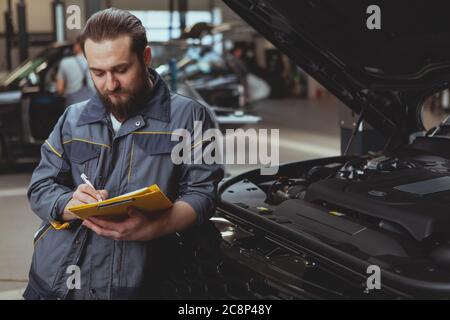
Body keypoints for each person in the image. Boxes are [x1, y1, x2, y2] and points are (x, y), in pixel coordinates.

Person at [23, 8, 224, 300]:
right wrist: (69, 202)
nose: (110, 85)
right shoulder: (73, 119)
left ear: (145, 58)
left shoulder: (189, 117)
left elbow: (203, 193)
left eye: (120, 70)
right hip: (55, 282)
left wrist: (157, 226)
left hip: (137, 284)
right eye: (98, 73)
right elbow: (41, 187)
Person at [56, 35, 95, 106]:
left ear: (77, 45)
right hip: (93, 104)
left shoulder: (65, 62)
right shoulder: (96, 62)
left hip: (73, 105)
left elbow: (59, 89)